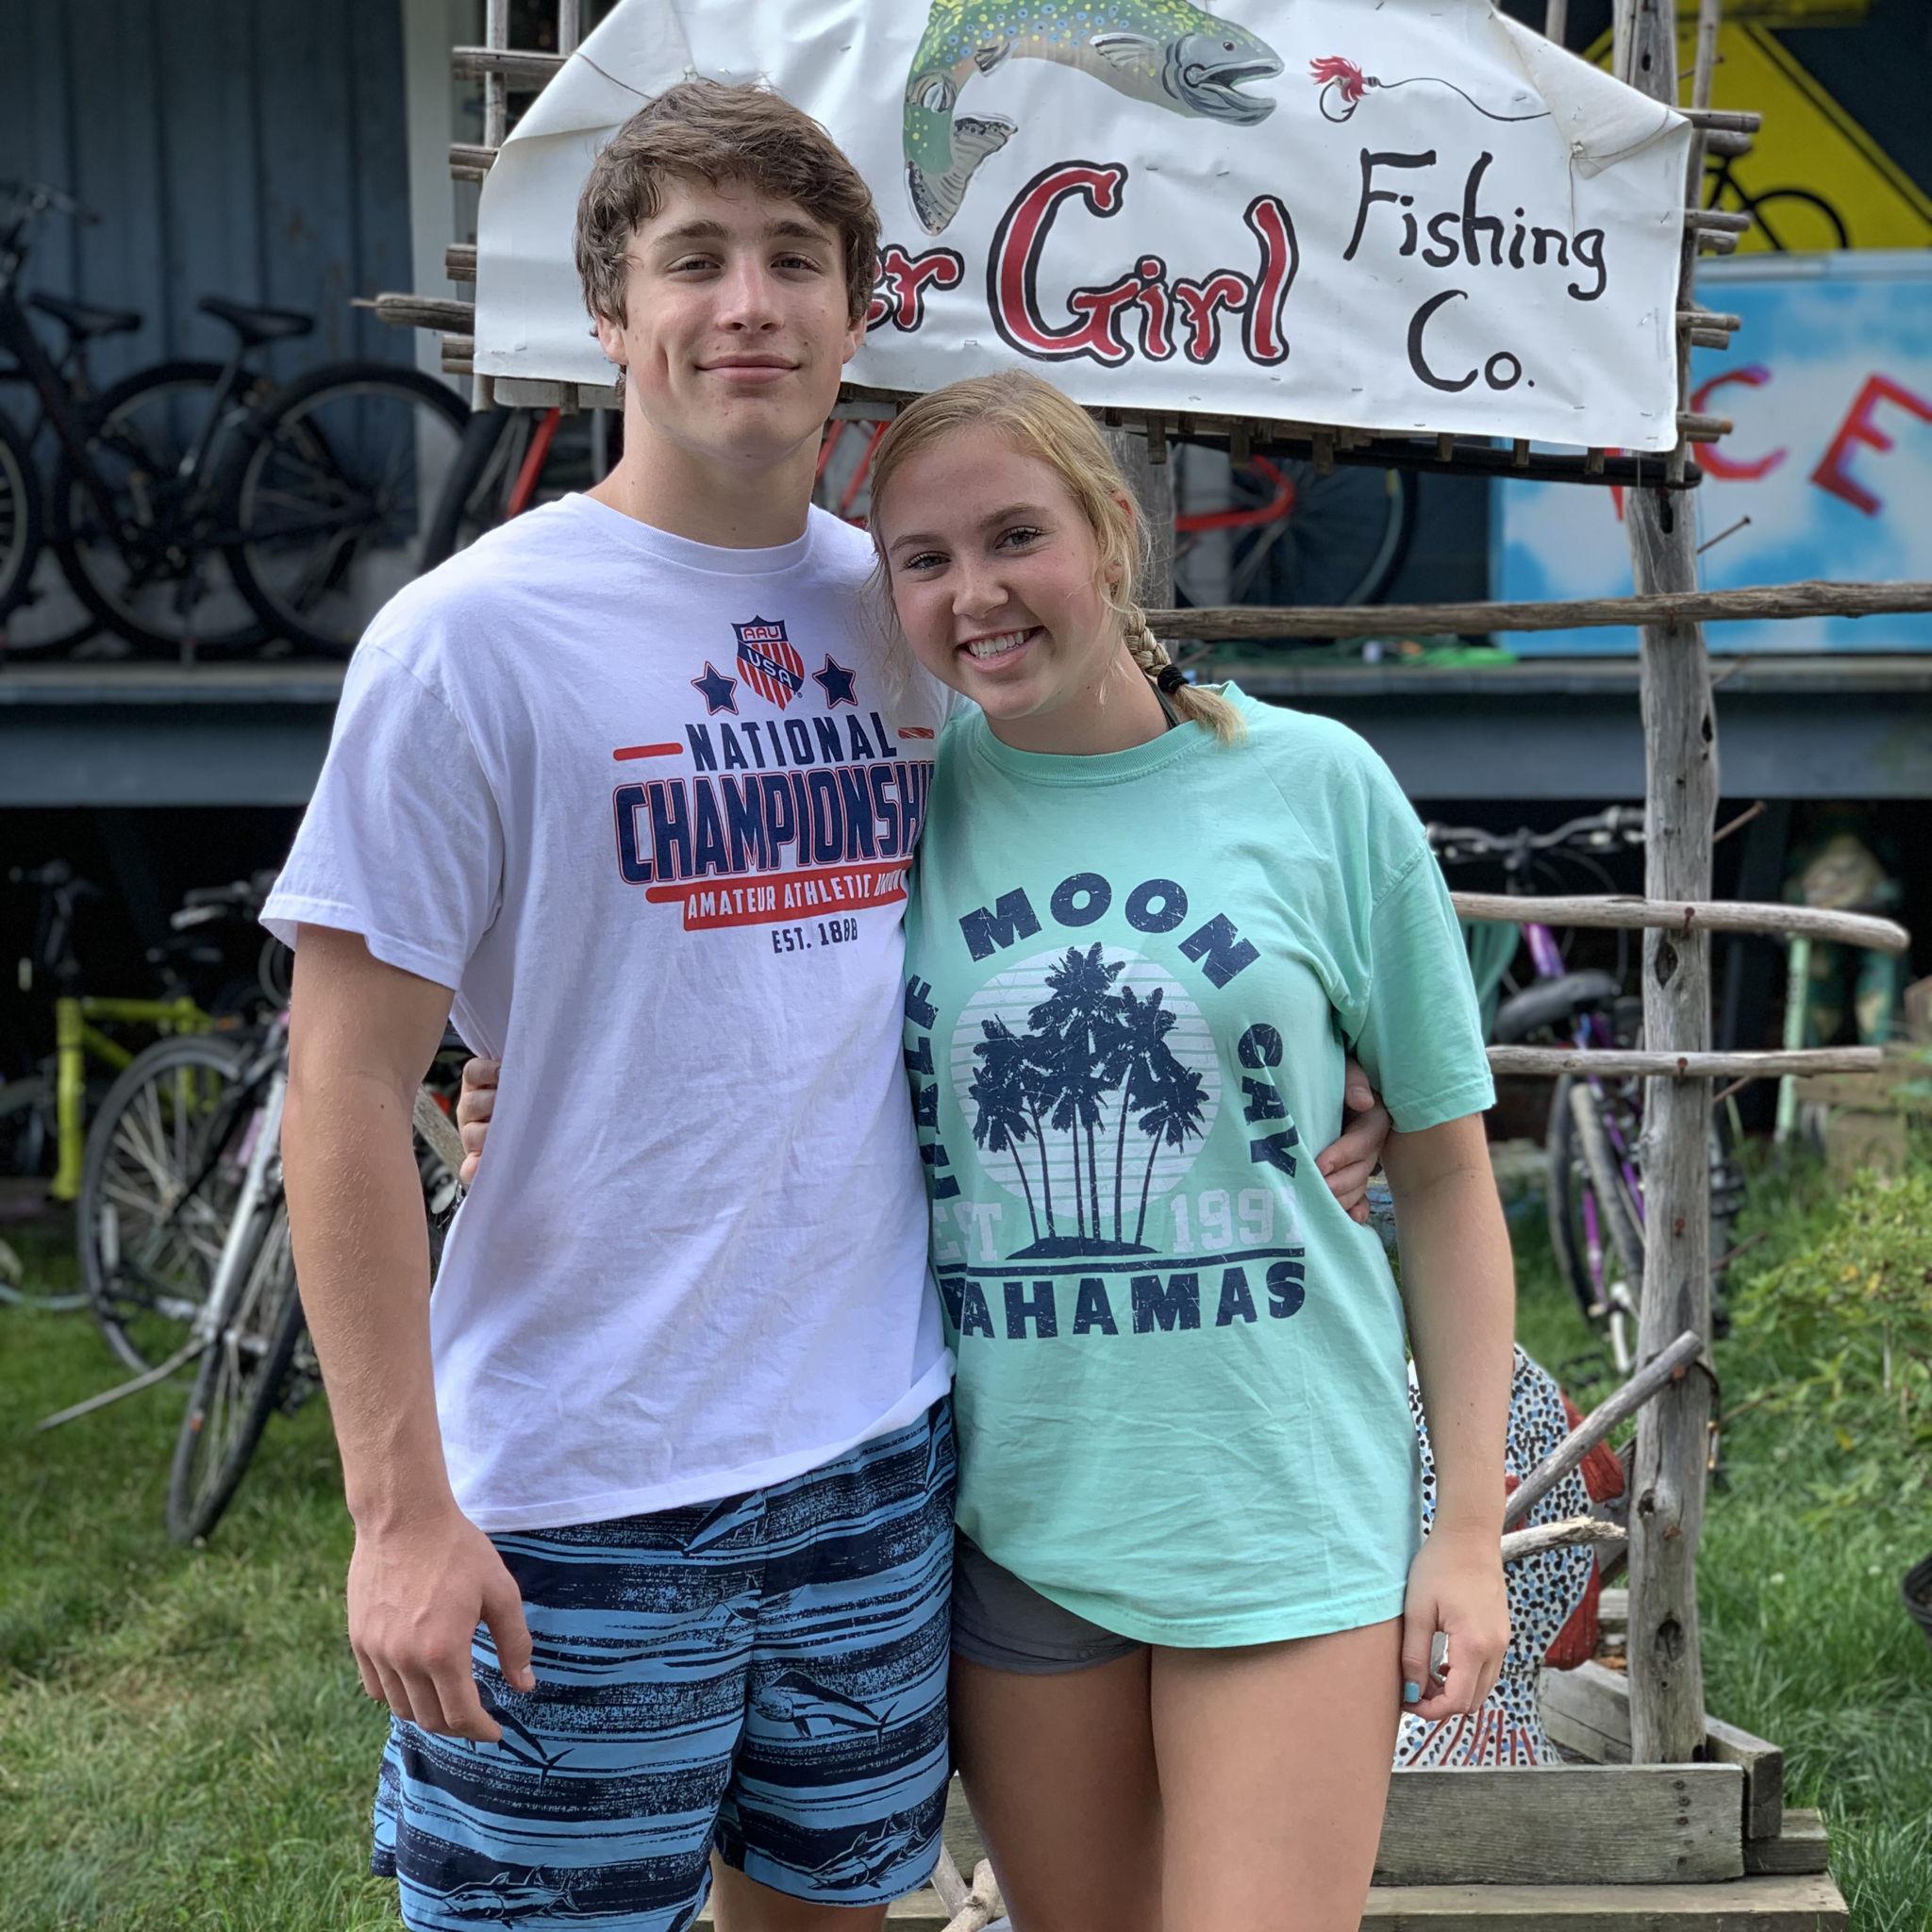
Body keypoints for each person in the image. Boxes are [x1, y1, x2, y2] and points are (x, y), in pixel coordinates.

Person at [267, 82, 1390, 1932]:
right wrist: (399, 1510)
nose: (747, 304)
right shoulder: (471, 639)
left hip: (878, 1460)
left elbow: (1149, 801)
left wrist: (1310, 1022)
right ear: (609, 316)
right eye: (690, 260)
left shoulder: (917, 612)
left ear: (857, 311)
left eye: (795, 260)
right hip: (576, 1487)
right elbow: (341, 1079)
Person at [460, 372, 1514, 1931]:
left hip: (1284, 1512)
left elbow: (1445, 1174)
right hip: (1019, 1532)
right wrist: (525, 1101)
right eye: (925, 559)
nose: (978, 593)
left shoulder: (1317, 789)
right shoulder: (890, 800)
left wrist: (1470, 1532)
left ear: (1111, 533)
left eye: (1018, 535)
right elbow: (737, 1027)